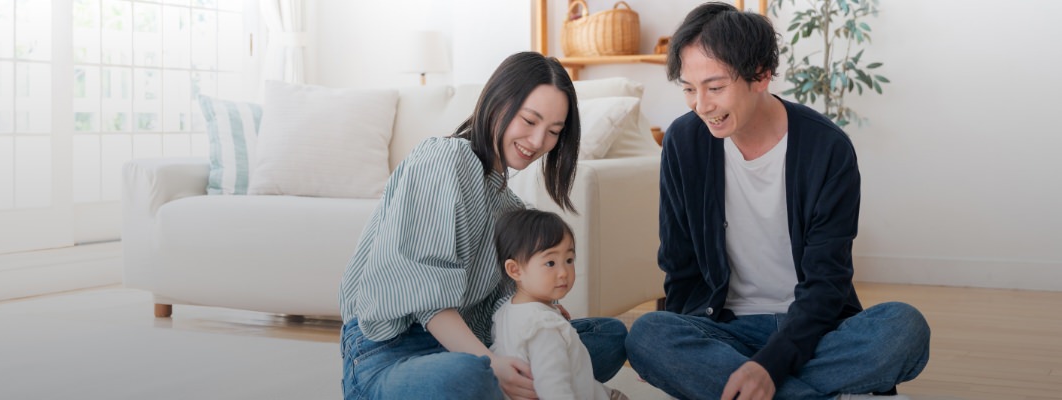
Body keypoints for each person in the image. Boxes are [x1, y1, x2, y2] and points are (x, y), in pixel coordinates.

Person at [625, 3, 931, 400]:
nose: (701, 105)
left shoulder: (826, 148)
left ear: (761, 75)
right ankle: (801, 389)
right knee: (648, 335)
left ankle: (747, 385)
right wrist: (676, 344)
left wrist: (769, 365)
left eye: (715, 88)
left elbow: (827, 283)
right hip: (727, 329)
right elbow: (679, 261)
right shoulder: (684, 143)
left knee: (904, 328)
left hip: (814, 330)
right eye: (688, 88)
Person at [338, 51, 627, 400]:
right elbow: (425, 296)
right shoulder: (443, 159)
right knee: (471, 376)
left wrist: (538, 307)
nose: (538, 142)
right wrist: (491, 364)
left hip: (474, 344)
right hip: (392, 352)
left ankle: (511, 384)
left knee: (609, 336)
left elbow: (501, 307)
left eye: (553, 132)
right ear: (498, 102)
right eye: (529, 121)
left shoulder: (511, 206)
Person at [489, 209, 628, 400]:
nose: (563, 272)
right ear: (515, 270)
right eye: (550, 263)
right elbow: (554, 386)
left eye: (569, 260)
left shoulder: (504, 312)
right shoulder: (545, 325)